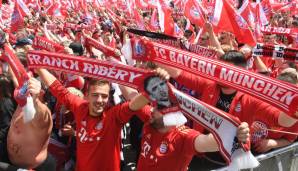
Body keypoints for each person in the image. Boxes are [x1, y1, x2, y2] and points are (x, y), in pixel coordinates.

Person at [36, 68, 152, 171]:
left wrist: (155, 86)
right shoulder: (80, 107)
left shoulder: (114, 115)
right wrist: (40, 69)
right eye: (95, 95)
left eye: (104, 96)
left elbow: (133, 105)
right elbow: (59, 90)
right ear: (87, 95)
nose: (100, 100)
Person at [5, 76, 55, 170]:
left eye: (29, 90)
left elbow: (44, 116)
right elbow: (17, 81)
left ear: (42, 93)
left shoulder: (42, 112)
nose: (25, 91)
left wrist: (35, 98)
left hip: (34, 167)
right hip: (11, 162)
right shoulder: (23, 102)